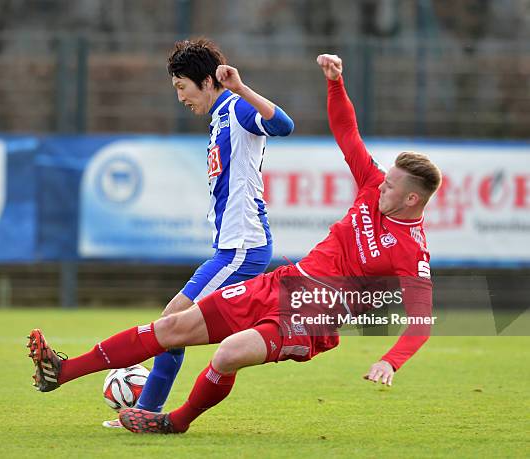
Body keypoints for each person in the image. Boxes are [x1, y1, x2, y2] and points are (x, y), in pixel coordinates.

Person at [27, 53, 441, 434]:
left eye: (390, 186)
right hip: (283, 282)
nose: (379, 184)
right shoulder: (372, 186)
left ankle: (174, 421)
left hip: (312, 315)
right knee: (173, 325)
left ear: (411, 199)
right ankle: (62, 373)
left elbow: (421, 320)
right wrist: (336, 84)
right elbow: (347, 132)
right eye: (383, 179)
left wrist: (390, 360)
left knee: (227, 353)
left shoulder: (411, 251)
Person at [125, 39, 293, 414]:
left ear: (205, 81)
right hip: (232, 248)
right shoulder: (219, 118)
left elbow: (284, 125)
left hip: (243, 248)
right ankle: (147, 409)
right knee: (182, 326)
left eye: (182, 87)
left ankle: (146, 411)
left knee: (172, 323)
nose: (180, 97)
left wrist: (240, 88)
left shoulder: (235, 107)